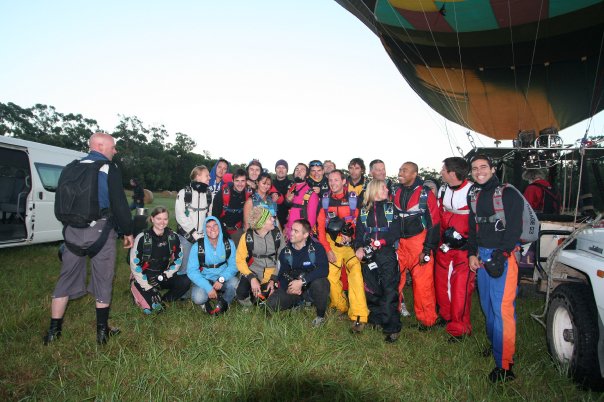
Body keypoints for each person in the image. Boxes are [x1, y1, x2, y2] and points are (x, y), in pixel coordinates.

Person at [44, 132, 133, 345]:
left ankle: (53, 331)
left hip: (72, 232)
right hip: (100, 231)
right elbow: (119, 204)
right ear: (101, 146)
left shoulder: (71, 167)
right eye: (113, 147)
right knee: (103, 278)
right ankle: (102, 332)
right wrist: (127, 231)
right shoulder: (109, 168)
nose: (115, 151)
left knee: (65, 278)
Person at [468, 154, 523, 383]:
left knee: (502, 310)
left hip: (504, 255)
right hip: (482, 256)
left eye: (483, 167)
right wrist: (472, 253)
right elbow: (473, 227)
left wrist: (501, 255)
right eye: (474, 168)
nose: (479, 171)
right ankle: (495, 345)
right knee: (487, 306)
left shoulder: (508, 193)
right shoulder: (475, 195)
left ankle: (505, 366)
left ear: (492, 168)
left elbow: (513, 230)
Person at [317, 170, 368, 332]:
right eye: (330, 180)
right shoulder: (325, 200)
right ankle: (340, 306)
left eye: (336, 180)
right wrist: (326, 250)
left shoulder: (354, 199)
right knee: (330, 277)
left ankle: (359, 316)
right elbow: (320, 228)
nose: (333, 183)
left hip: (351, 245)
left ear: (344, 181)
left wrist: (353, 238)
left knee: (356, 277)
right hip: (333, 244)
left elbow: (361, 224)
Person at [394, 162, 441, 329]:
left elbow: (434, 223)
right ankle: (394, 312)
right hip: (399, 243)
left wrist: (427, 249)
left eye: (404, 170)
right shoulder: (395, 191)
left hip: (418, 243)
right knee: (394, 280)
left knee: (423, 284)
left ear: (414, 174)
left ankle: (427, 320)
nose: (400, 172)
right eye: (400, 170)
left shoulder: (425, 194)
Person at [354, 179, 402, 342]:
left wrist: (380, 243)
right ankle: (376, 319)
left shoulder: (391, 209)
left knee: (389, 289)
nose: (387, 190)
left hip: (386, 253)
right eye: (383, 188)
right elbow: (359, 234)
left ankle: (391, 327)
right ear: (374, 190)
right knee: (372, 288)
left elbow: (395, 232)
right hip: (368, 255)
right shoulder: (363, 211)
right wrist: (358, 248)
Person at [434, 157, 475, 340]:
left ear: (452, 172)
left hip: (464, 249)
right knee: (442, 284)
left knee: (460, 289)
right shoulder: (443, 189)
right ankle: (446, 316)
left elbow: (480, 221)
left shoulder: (472, 191)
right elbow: (441, 215)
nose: (441, 171)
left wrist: (470, 243)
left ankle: (460, 328)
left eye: (444, 169)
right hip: (445, 246)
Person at [267, 219, 330, 327]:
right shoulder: (286, 252)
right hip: (294, 288)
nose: (291, 233)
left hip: (310, 286)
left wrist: (302, 281)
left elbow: (323, 269)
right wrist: (289, 288)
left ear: (305, 235)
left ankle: (320, 316)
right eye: (292, 230)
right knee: (271, 304)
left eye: (296, 231)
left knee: (321, 283)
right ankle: (297, 303)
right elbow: (282, 274)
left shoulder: (316, 248)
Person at [129, 207, 190, 314]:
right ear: (152, 219)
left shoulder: (173, 237)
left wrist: (165, 275)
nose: (162, 222)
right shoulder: (142, 237)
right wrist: (146, 286)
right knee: (155, 310)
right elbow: (134, 265)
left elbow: (177, 261)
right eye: (158, 218)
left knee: (185, 281)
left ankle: (164, 299)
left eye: (165, 219)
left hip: (162, 276)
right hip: (144, 277)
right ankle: (140, 291)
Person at [187, 216, 239, 313]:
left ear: (219, 227)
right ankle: (206, 299)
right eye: (208, 226)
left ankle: (225, 302)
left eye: (215, 225)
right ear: (205, 230)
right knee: (198, 298)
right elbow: (191, 271)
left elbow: (234, 265)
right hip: (205, 278)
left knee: (236, 284)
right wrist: (208, 287)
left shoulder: (229, 244)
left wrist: (221, 279)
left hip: (222, 277)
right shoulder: (197, 246)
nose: (212, 229)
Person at [236, 206, 284, 306]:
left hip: (274, 271)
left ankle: (261, 297)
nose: (273, 219)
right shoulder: (247, 237)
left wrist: (274, 279)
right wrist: (251, 277)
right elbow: (240, 260)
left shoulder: (277, 234)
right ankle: (248, 305)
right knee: (241, 292)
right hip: (254, 271)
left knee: (272, 298)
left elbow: (283, 257)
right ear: (261, 224)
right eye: (270, 218)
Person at [175, 165, 213, 274]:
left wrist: (206, 233)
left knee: (201, 266)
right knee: (184, 268)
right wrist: (193, 233)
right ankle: (183, 289)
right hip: (186, 237)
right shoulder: (184, 193)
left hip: (202, 236)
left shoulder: (209, 194)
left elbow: (209, 215)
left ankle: (199, 287)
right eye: (207, 175)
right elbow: (180, 215)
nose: (209, 178)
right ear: (198, 176)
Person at [212, 168, 250, 246]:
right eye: (237, 181)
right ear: (232, 181)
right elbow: (215, 215)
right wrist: (223, 233)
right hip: (221, 230)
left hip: (238, 230)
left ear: (246, 182)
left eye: (243, 181)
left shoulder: (248, 194)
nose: (240, 184)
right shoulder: (221, 194)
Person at [284, 163, 319, 240]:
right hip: (289, 233)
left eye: (302, 170)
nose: (299, 171)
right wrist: (286, 228)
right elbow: (290, 212)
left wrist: (301, 237)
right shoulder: (291, 190)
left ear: (307, 176)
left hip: (301, 236)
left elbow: (311, 221)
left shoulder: (311, 194)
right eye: (297, 169)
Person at [273, 159, 293, 228]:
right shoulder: (269, 184)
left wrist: (289, 201)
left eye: (283, 168)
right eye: (278, 167)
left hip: (288, 222)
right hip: (271, 221)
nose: (281, 170)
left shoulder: (293, 184)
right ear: (275, 170)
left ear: (287, 170)